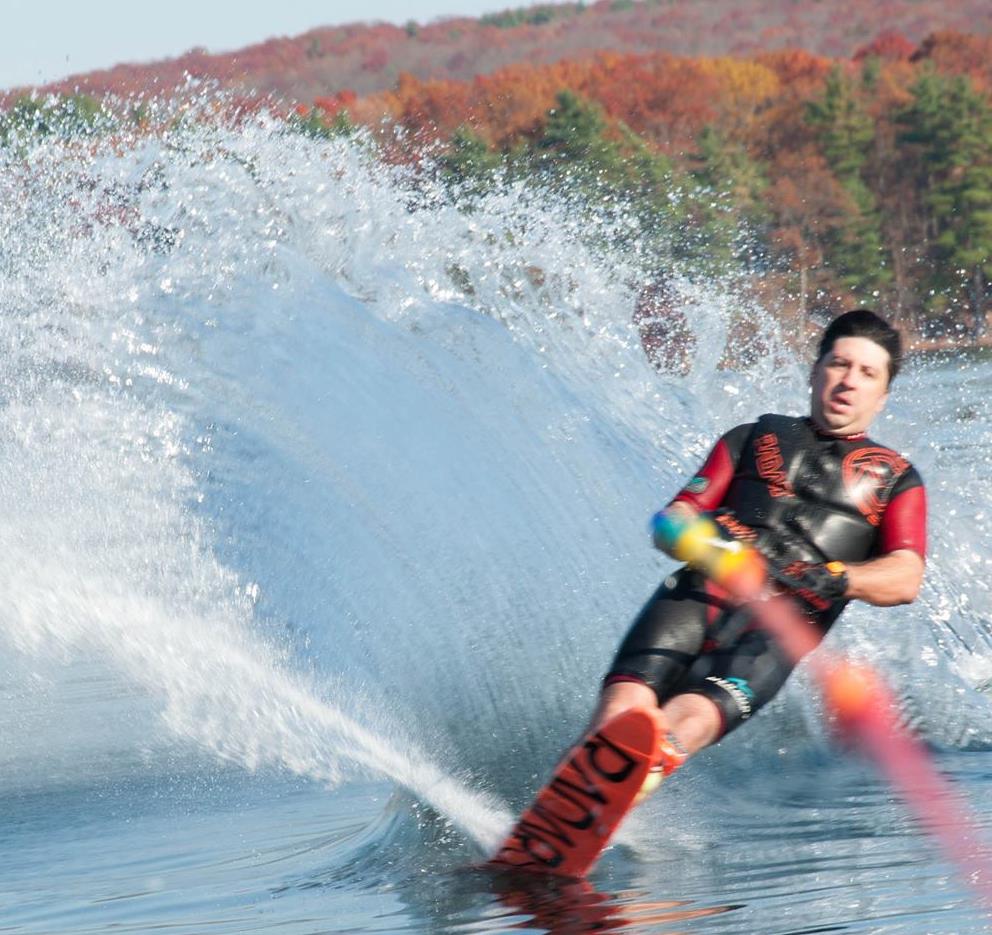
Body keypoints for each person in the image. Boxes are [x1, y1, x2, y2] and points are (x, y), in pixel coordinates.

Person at [593, 309, 927, 785]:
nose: (848, 381)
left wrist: (839, 577)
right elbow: (672, 519)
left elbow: (905, 576)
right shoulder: (752, 438)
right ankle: (567, 812)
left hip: (780, 627)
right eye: (839, 364)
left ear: (883, 394)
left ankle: (623, 788)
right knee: (623, 707)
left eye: (867, 373)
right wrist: (697, 538)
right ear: (815, 372)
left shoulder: (898, 480)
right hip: (697, 596)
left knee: (691, 717)